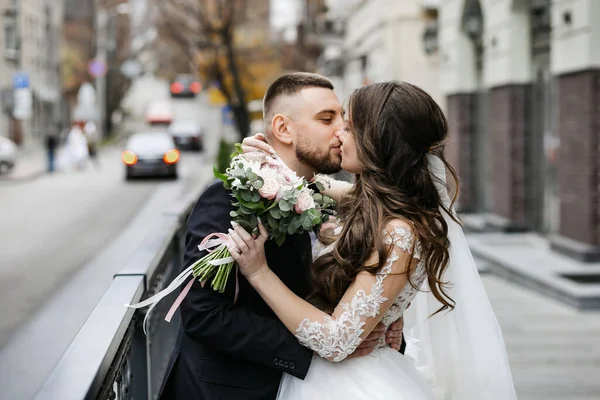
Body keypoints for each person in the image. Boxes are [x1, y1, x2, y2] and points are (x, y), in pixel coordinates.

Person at [230, 81, 518, 399]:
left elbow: (336, 339)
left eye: (350, 127)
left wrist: (259, 273)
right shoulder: (368, 202)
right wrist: (262, 165)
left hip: (351, 385)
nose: (339, 133)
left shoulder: (399, 233)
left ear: (378, 142)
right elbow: (309, 188)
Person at [159, 73, 405, 400]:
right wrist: (315, 348)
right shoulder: (231, 198)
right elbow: (203, 315)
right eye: (326, 119)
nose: (341, 131)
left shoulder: (327, 201)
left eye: (343, 120)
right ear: (283, 128)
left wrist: (386, 319)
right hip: (230, 390)